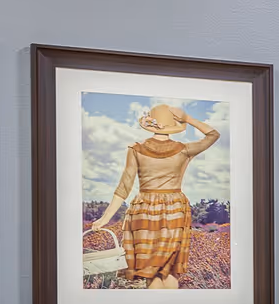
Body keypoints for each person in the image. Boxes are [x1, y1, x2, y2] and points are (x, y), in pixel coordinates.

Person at [88, 103, 218, 289]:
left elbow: (124, 186)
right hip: (175, 210)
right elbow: (213, 134)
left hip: (144, 211)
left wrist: (104, 218)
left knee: (152, 272)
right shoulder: (184, 149)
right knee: (170, 271)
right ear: (172, 125)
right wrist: (188, 118)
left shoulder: (136, 149)